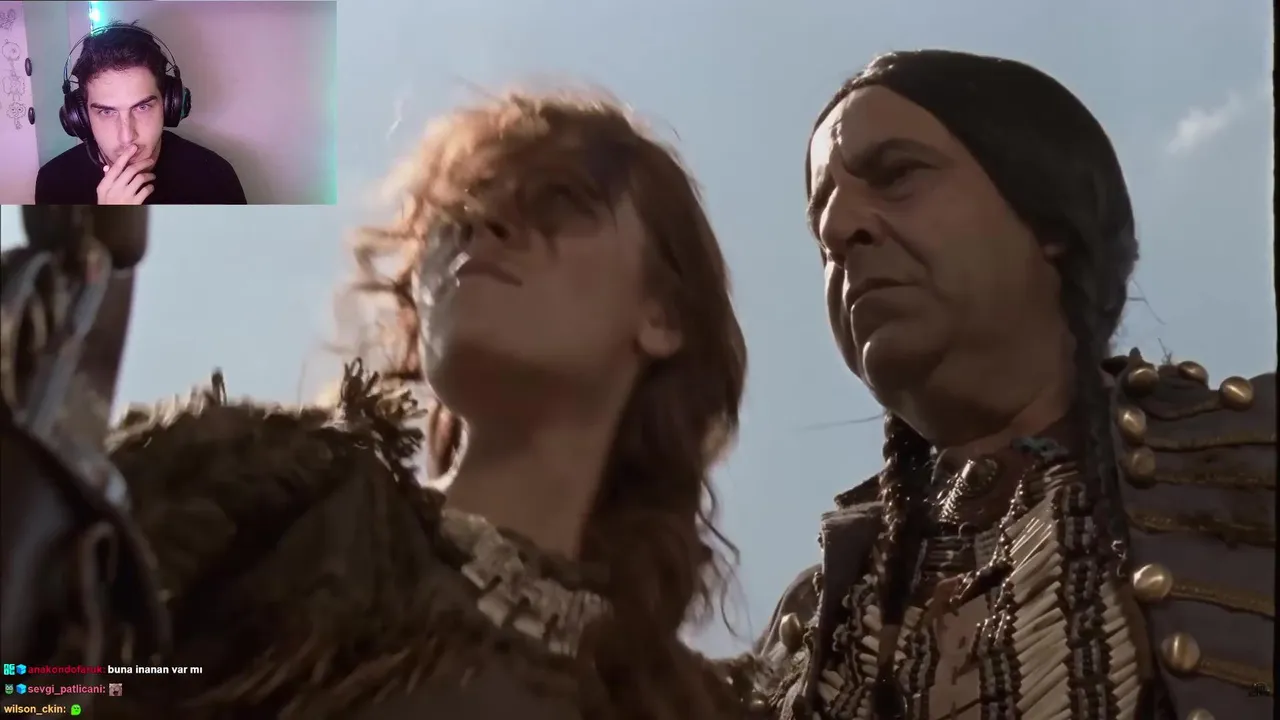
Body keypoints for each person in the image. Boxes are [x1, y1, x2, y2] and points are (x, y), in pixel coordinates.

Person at [93, 89, 760, 719]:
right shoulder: (264, 502)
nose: (484, 224)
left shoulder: (677, 704)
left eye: (558, 201)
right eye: (460, 211)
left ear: (662, 316)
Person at [748, 50, 1275, 720]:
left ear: (1047, 216)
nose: (837, 230)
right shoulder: (809, 629)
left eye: (897, 175)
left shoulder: (1253, 464)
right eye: (820, 221)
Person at [35, 22, 245, 205]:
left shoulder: (215, 176)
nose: (127, 137)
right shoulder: (54, 182)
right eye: (107, 112)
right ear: (80, 116)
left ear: (169, 105)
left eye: (142, 107)